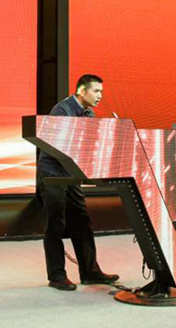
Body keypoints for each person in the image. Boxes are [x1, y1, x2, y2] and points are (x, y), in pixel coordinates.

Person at [37, 74, 119, 291]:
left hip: (71, 173)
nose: (100, 96)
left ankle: (90, 272)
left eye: (101, 92)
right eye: (96, 91)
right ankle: (57, 276)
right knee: (55, 224)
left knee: (82, 221)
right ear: (82, 91)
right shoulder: (62, 111)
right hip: (53, 173)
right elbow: (60, 144)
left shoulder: (88, 113)